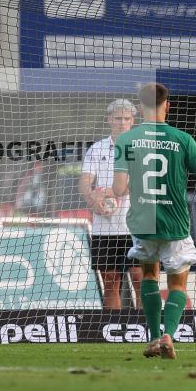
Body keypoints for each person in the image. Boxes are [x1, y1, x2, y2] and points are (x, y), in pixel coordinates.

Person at [111, 83, 196, 360]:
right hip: (174, 223)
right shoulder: (183, 139)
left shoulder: (126, 140)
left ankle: (152, 337)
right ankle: (168, 337)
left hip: (143, 223)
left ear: (139, 109)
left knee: (149, 276)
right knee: (177, 285)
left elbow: (118, 188)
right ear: (167, 105)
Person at [78, 99, 144, 310]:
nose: (122, 123)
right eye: (117, 118)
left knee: (141, 280)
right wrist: (93, 199)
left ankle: (145, 328)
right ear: (108, 120)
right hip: (105, 227)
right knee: (110, 281)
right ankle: (113, 332)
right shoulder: (97, 149)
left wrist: (112, 191)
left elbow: (140, 181)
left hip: (136, 225)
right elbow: (85, 182)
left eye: (126, 118)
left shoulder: (140, 147)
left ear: (133, 121)